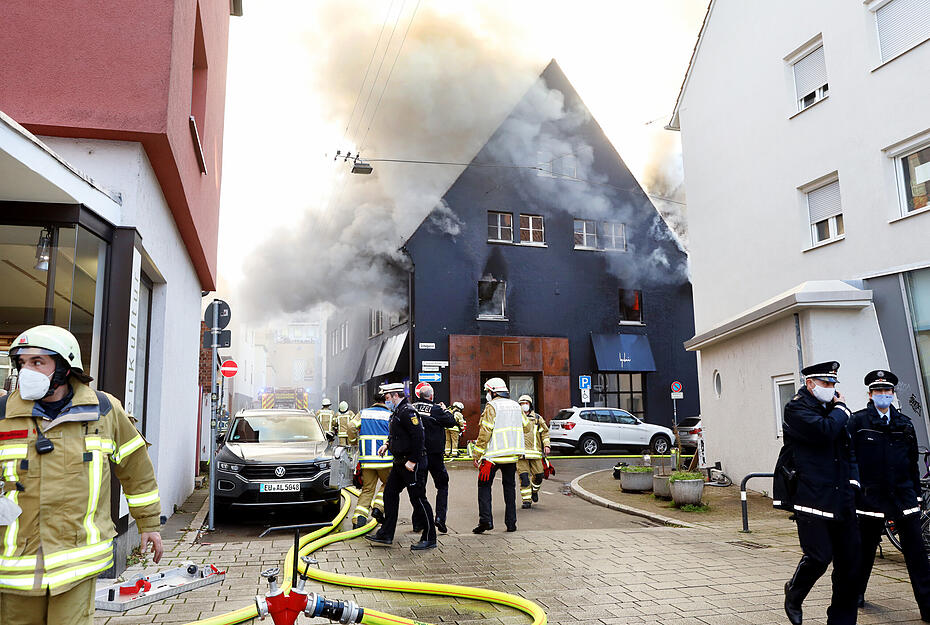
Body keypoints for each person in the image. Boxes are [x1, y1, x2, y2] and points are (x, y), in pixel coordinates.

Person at [0, 325, 163, 625]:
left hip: (76, 564)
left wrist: (149, 523)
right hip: (14, 568)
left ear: (64, 367)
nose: (26, 372)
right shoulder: (3, 415)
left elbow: (136, 469)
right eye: (22, 363)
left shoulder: (103, 412)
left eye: (38, 362)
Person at [774, 361, 860, 625]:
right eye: (825, 384)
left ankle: (842, 621)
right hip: (812, 496)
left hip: (841, 495)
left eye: (833, 384)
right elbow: (824, 431)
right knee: (819, 557)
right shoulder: (796, 408)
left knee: (850, 563)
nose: (831, 389)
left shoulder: (834, 410)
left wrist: (854, 482)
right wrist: (842, 409)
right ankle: (795, 593)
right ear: (810, 384)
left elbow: (848, 448)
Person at [848, 369, 930, 617]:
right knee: (864, 552)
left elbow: (912, 462)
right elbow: (850, 459)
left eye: (887, 391)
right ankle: (856, 594)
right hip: (871, 498)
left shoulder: (904, 423)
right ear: (870, 394)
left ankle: (928, 607)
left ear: (893, 394)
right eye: (878, 391)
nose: (883, 394)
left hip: (903, 497)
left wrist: (916, 495)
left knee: (917, 554)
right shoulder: (858, 422)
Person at [365, 382, 436, 550]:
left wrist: (413, 460)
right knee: (389, 494)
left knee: (418, 499)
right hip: (399, 463)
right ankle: (386, 533)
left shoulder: (408, 411)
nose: (386, 400)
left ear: (396, 396)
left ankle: (429, 537)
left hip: (411, 464)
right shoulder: (397, 411)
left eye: (388, 397)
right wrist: (387, 444)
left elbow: (419, 437)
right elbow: (397, 434)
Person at [471, 378, 524, 534]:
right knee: (510, 489)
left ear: (493, 391)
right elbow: (526, 426)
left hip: (492, 458)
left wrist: (477, 453)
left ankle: (486, 521)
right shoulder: (516, 406)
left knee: (484, 487)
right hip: (511, 456)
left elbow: (485, 431)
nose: (487, 394)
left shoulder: (492, 406)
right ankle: (511, 523)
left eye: (487, 391)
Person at [411, 382, 456, 534]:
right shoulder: (436, 409)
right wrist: (445, 410)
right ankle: (440, 519)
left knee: (419, 488)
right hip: (435, 455)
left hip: (418, 454)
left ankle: (418, 523)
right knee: (442, 486)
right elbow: (451, 422)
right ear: (431, 396)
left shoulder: (412, 408)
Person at [347, 395, 392, 529]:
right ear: (386, 402)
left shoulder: (363, 413)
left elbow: (351, 426)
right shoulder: (390, 415)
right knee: (388, 485)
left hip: (367, 460)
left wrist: (354, 442)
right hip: (386, 460)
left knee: (367, 490)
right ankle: (378, 508)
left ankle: (358, 521)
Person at [516, 395, 550, 509]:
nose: (524, 405)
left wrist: (547, 445)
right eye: (521, 403)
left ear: (530, 404)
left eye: (526, 403)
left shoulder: (537, 418)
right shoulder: (515, 418)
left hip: (535, 453)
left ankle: (534, 491)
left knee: (539, 476)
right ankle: (526, 500)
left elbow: (545, 432)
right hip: (521, 454)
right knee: (524, 478)